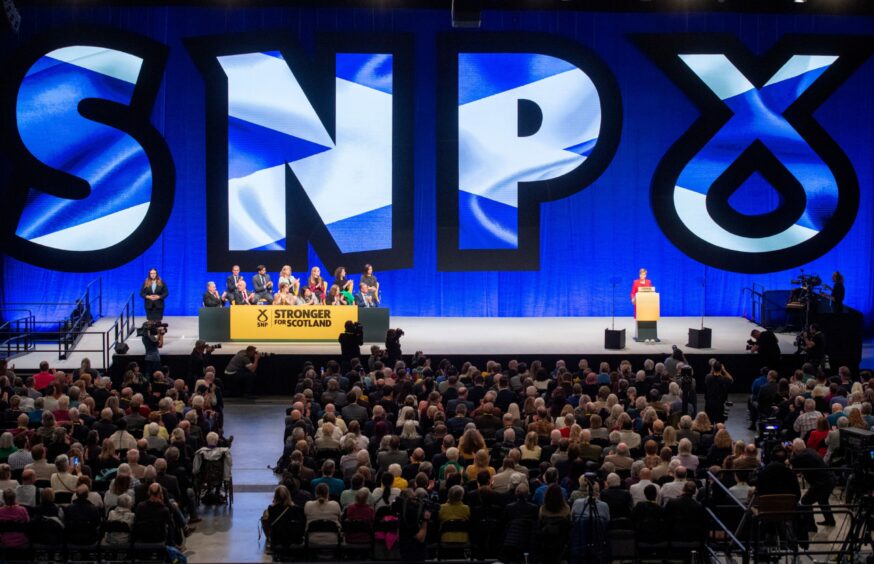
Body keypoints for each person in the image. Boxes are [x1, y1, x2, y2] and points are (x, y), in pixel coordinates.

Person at [704, 360, 733, 425]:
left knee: (709, 423)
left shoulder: (708, 378)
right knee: (719, 424)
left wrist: (713, 368)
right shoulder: (724, 379)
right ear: (721, 369)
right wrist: (724, 370)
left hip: (709, 404)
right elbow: (731, 379)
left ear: (713, 369)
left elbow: (710, 375)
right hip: (719, 405)